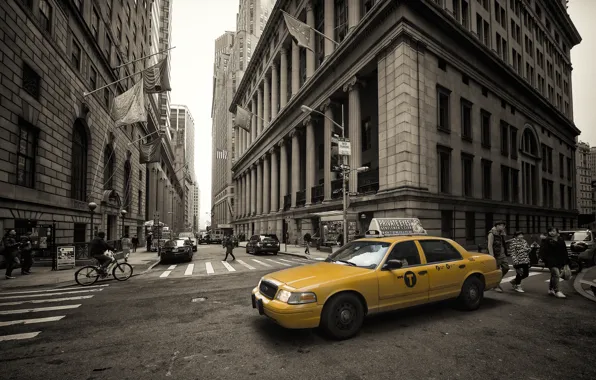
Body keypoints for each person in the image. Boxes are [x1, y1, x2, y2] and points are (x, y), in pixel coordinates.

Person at [539, 226, 569, 298]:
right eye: (550, 231)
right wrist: (541, 259)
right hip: (550, 260)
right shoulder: (546, 240)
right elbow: (542, 250)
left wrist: (566, 261)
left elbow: (564, 251)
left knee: (554, 275)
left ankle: (551, 289)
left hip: (559, 259)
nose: (552, 233)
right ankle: (557, 291)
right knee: (556, 273)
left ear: (557, 232)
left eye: (553, 231)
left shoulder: (561, 239)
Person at [487, 220, 508, 293]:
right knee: (497, 269)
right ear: (497, 225)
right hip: (496, 254)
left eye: (504, 226)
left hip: (502, 254)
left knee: (506, 268)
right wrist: (492, 256)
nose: (503, 227)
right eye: (502, 225)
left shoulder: (501, 233)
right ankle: (495, 285)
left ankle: (497, 281)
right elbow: (490, 245)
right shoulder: (491, 233)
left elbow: (502, 243)